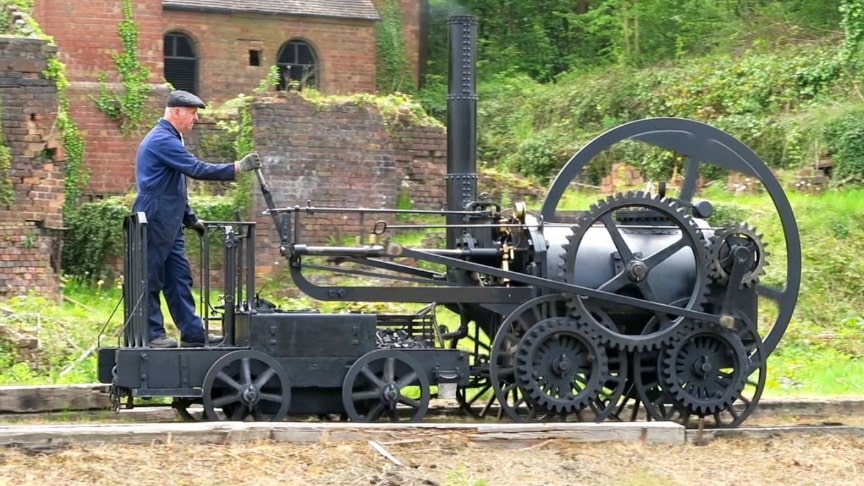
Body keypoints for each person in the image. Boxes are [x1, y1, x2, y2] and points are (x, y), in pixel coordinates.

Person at [133, 90, 261, 348]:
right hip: (155, 215)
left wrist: (190, 218)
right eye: (192, 113)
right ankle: (152, 335)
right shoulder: (162, 139)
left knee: (178, 276)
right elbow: (196, 169)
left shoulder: (172, 138)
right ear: (176, 112)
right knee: (152, 275)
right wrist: (237, 167)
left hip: (170, 217)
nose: (196, 119)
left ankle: (193, 334)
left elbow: (174, 185)